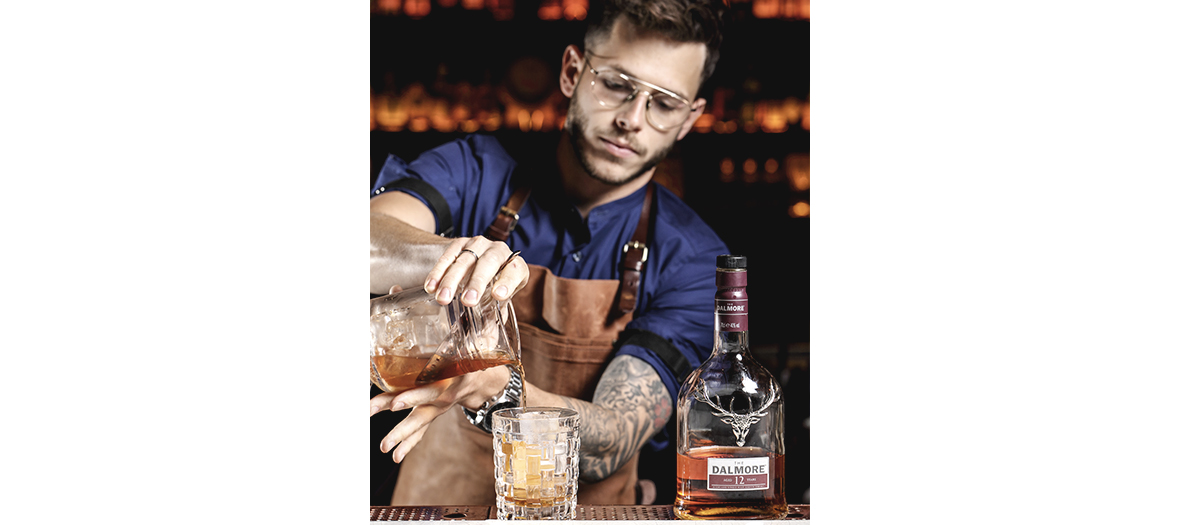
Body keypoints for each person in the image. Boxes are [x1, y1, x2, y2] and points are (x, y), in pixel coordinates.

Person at [369, 0, 730, 506]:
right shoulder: (477, 169)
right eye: (616, 85)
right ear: (572, 72)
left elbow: (613, 439)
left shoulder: (692, 259)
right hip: (438, 507)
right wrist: (450, 258)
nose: (632, 119)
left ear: (689, 119)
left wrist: (497, 391)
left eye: (664, 103)